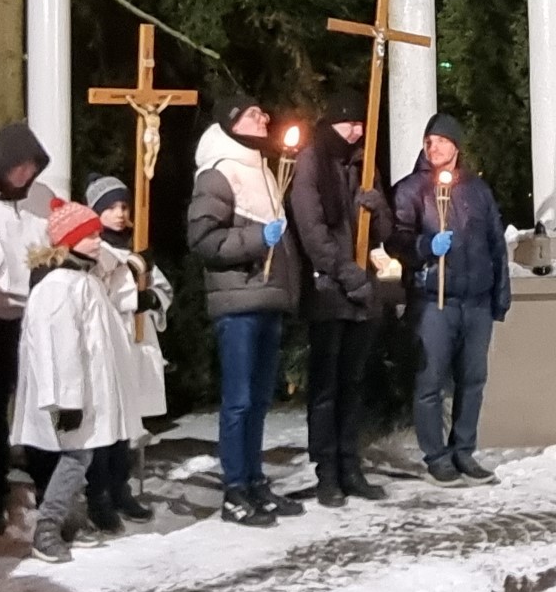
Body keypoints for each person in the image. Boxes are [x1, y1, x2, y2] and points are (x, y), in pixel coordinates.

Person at [185, 92, 300, 524]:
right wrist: (256, 239)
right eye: (254, 114)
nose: (264, 117)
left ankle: (254, 480)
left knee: (259, 399)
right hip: (238, 302)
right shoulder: (219, 173)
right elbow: (203, 240)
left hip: (265, 297)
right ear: (232, 123)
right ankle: (234, 489)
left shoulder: (264, 170)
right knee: (239, 400)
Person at [14, 200, 146, 556]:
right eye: (88, 235)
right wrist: (67, 401)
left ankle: (68, 522)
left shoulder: (83, 281)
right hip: (67, 397)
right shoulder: (58, 287)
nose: (97, 240)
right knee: (76, 457)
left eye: (97, 233)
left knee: (80, 456)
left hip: (84, 393)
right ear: (67, 240)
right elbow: (59, 348)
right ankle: (47, 529)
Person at [390, 114, 511, 484]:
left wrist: (500, 295)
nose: (435, 147)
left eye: (442, 140)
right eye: (429, 141)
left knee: (472, 380)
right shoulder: (411, 189)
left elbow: (495, 243)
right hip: (434, 300)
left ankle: (464, 451)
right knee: (430, 382)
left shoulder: (476, 189)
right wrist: (426, 246)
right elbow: (396, 240)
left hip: (476, 301)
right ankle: (436, 456)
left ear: (457, 145)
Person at [289, 90, 394, 506]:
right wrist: (350, 275)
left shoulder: (364, 165)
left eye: (360, 124)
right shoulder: (312, 162)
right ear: (331, 123)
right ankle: (327, 471)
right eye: (348, 123)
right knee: (326, 386)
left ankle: (351, 465)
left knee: (353, 383)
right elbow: (313, 232)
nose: (355, 131)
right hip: (328, 291)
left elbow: (383, 233)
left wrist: (377, 207)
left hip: (361, 294)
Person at [0, 120, 58, 534]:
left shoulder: (39, 201)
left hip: (35, 316)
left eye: (31, 166)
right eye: (18, 165)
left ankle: (48, 480)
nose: (24, 173)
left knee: (40, 401)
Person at [88, 173, 169, 515]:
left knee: (128, 420)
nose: (120, 213)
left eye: (123, 206)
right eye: (110, 207)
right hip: (108, 342)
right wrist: (134, 297)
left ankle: (121, 487)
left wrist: (152, 297)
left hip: (135, 340)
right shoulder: (94, 250)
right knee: (107, 419)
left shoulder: (135, 247)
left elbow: (162, 289)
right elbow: (98, 295)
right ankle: (98, 492)